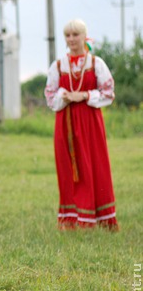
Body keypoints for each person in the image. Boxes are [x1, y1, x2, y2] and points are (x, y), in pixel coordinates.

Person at [44, 19, 117, 230]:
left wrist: (85, 95)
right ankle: (72, 217)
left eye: (75, 35)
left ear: (84, 36)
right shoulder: (58, 66)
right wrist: (64, 97)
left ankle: (100, 217)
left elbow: (109, 93)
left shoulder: (96, 64)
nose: (71, 39)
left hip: (90, 123)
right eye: (68, 35)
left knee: (94, 164)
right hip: (65, 123)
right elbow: (49, 96)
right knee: (68, 167)